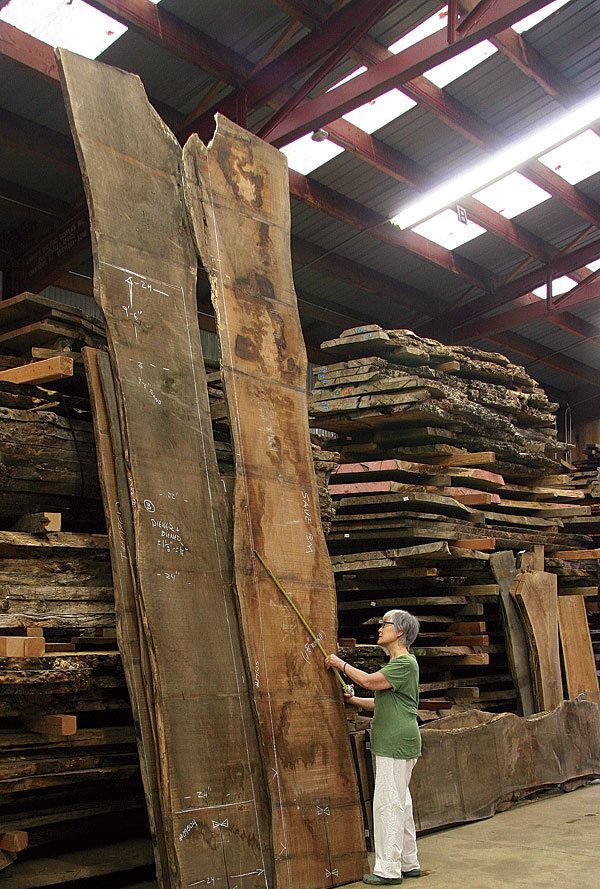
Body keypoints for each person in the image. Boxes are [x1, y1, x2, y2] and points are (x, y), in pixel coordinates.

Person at [325, 609, 421, 885]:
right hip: (399, 742)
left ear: (399, 631)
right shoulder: (400, 666)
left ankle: (388, 870)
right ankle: (409, 862)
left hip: (394, 744)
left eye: (384, 624)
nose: (380, 628)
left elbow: (368, 681)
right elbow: (382, 702)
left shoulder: (404, 664)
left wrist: (339, 664)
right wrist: (355, 701)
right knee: (401, 802)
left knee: (388, 805)